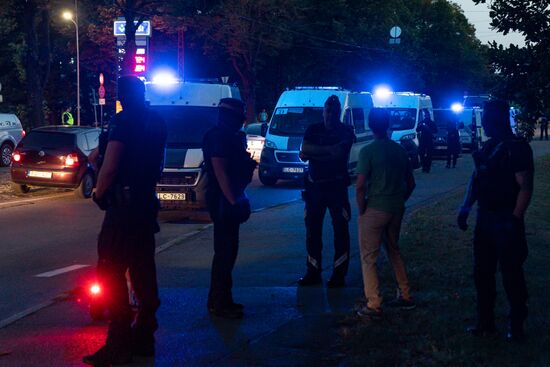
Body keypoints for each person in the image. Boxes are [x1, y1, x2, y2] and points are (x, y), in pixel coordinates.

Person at [83, 76, 167, 366]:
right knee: (144, 271)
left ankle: (118, 344)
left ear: (123, 96)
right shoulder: (157, 121)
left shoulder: (123, 121)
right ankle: (144, 338)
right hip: (145, 206)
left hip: (122, 210)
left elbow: (111, 163)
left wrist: (100, 192)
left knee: (110, 271)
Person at [457, 100, 534, 342]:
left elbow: (525, 186)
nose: (485, 123)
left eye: (488, 118)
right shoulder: (490, 146)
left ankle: (517, 325)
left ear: (497, 119)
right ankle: (485, 322)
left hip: (505, 217)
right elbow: (477, 179)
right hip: (486, 218)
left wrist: (515, 218)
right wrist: (465, 207)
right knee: (483, 273)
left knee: (512, 274)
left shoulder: (517, 148)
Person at [355, 108, 416, 317]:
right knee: (393, 250)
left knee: (368, 257)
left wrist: (361, 208)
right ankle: (405, 294)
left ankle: (374, 303)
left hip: (375, 209)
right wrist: (400, 199)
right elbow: (411, 182)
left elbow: (360, 185)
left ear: (370, 125)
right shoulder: (399, 151)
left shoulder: (368, 151)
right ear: (388, 124)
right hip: (396, 208)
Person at [203, 98, 257, 319]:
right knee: (225, 252)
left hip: (226, 198)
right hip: (223, 201)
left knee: (228, 252)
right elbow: (220, 170)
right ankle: (219, 302)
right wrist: (233, 200)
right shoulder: (220, 137)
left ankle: (222, 299)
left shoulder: (229, 136)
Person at [297, 95, 355, 288]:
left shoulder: (346, 131)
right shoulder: (313, 129)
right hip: (315, 189)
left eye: (334, 111)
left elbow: (339, 153)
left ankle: (339, 275)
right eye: (327, 110)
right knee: (312, 231)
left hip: (337, 188)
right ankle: (312, 272)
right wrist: (328, 150)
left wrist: (314, 152)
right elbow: (304, 149)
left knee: (341, 232)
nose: (330, 114)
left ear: (339, 112)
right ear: (323, 111)